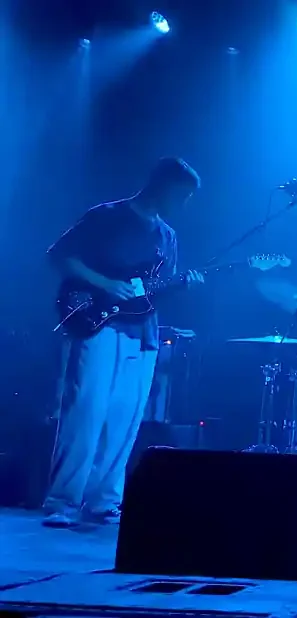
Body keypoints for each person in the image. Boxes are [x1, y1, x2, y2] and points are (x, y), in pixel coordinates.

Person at [43, 157, 204, 527]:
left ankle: (104, 501)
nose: (184, 204)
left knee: (124, 418)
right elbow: (60, 256)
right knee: (85, 410)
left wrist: (184, 285)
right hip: (96, 324)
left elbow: (153, 293)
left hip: (142, 331)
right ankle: (63, 502)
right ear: (163, 185)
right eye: (183, 195)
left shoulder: (168, 237)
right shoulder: (106, 216)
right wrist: (104, 283)